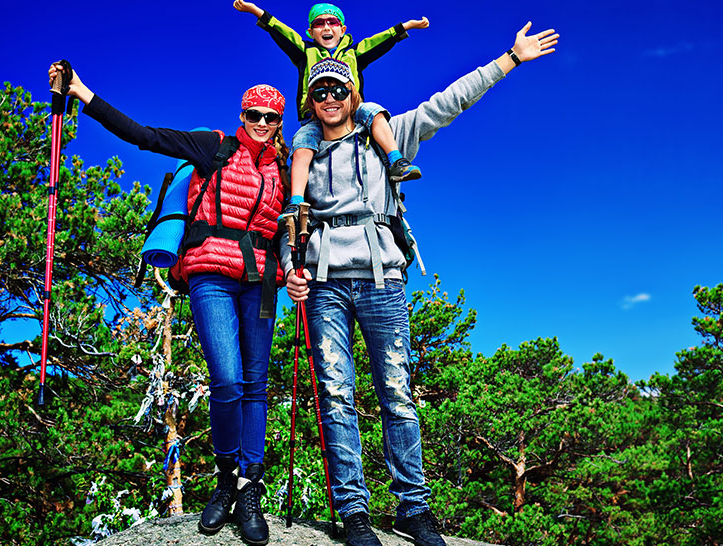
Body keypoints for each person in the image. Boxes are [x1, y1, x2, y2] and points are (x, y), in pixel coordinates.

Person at [281, 22, 559, 546]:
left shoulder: (386, 132)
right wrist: (289, 269)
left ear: (353, 92)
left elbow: (447, 103)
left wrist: (509, 59)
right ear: (310, 100)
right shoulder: (302, 154)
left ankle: (413, 508)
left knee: (397, 392)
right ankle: (354, 513)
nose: (330, 98)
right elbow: (286, 223)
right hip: (323, 284)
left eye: (339, 88)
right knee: (336, 394)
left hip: (382, 278)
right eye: (320, 90)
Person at [47, 64, 287, 546]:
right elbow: (145, 136)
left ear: (279, 122)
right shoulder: (213, 146)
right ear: (242, 115)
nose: (261, 123)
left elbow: (292, 224)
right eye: (253, 114)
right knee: (228, 380)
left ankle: (249, 488)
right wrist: (81, 92)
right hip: (210, 274)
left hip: (261, 282)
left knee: (257, 386)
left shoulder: (284, 167)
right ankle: (225, 479)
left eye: (270, 117)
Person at [233, 1, 428, 212]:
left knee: (375, 112)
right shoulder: (305, 51)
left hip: (352, 111)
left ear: (342, 29)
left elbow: (379, 41)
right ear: (311, 32)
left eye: (332, 22)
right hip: (313, 115)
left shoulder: (354, 53)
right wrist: (256, 11)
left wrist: (406, 26)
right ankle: (296, 201)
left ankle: (396, 160)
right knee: (302, 145)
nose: (326, 27)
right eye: (319, 23)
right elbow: (283, 32)